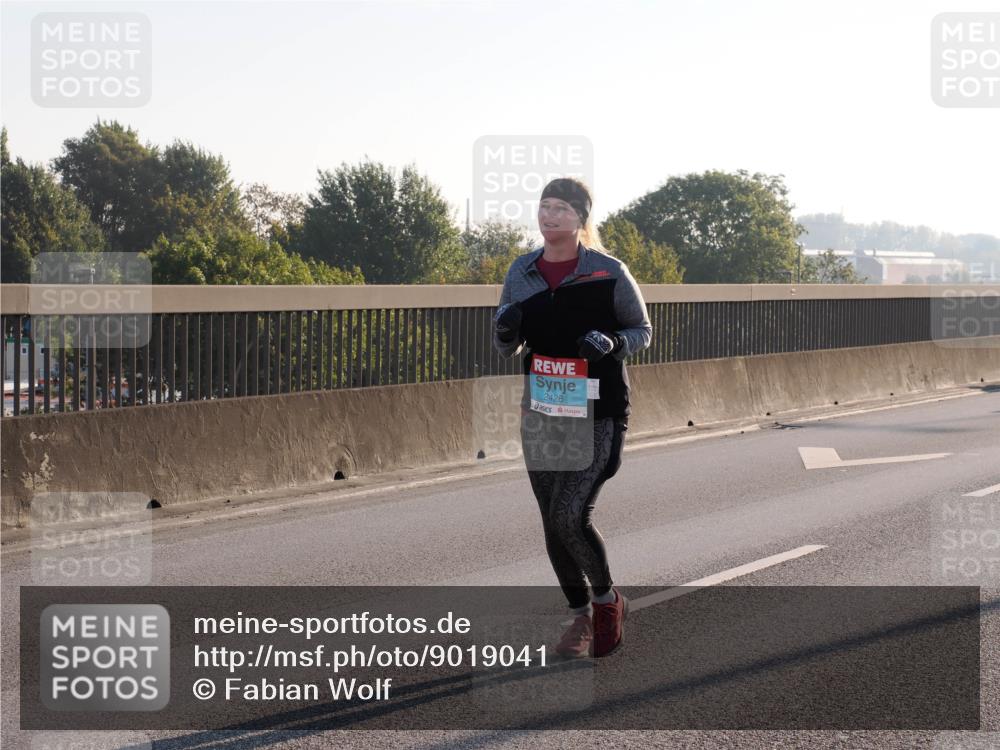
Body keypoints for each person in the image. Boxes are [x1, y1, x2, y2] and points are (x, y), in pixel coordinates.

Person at [491, 177, 652, 658]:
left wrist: (613, 341)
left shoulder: (608, 272)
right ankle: (580, 618)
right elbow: (505, 347)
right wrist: (506, 330)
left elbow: (641, 329)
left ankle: (607, 601)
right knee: (551, 521)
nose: (550, 215)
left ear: (581, 217)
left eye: (561, 208)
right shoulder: (521, 271)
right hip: (543, 412)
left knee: (569, 515)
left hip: (598, 413)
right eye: (545, 206)